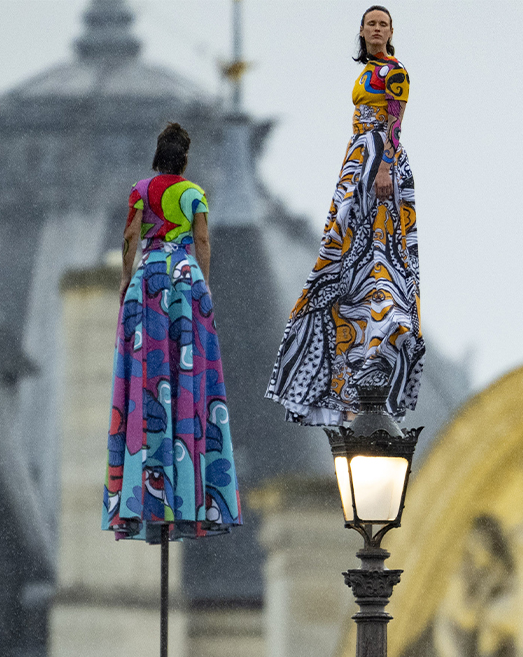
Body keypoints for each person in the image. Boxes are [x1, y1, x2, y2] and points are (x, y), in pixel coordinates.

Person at [267, 4, 424, 426]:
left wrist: (386, 166)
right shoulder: (366, 71)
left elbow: (394, 123)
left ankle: (376, 300)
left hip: (376, 159)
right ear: (362, 30)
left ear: (391, 32)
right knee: (347, 244)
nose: (376, 29)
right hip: (359, 158)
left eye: (383, 24)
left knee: (378, 244)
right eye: (371, 23)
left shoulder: (394, 71)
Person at [106, 122, 241, 541]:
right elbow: (202, 240)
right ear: (183, 159)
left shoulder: (140, 190)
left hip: (147, 280)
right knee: (187, 372)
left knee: (148, 372)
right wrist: (202, 280)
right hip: (184, 279)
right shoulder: (193, 193)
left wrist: (128, 277)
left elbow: (130, 236)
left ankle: (144, 471)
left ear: (156, 156)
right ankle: (186, 475)